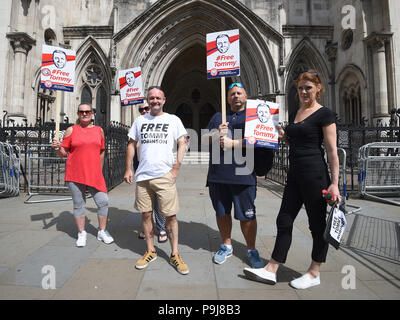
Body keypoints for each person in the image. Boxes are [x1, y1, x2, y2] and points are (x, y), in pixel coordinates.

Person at [243, 70, 341, 289]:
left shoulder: (325, 114)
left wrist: (334, 183)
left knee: (317, 226)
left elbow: (332, 151)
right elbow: (296, 143)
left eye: (308, 87)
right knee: (284, 220)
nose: (304, 92)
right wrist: (283, 136)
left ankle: (314, 272)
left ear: (318, 88)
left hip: (315, 174)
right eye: (300, 88)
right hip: (295, 174)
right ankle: (272, 268)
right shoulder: (299, 111)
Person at [124, 86, 189, 275]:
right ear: (148, 99)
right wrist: (129, 168)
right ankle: (150, 250)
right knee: (146, 215)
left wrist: (176, 167)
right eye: (151, 98)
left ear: (164, 100)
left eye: (158, 98)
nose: (154, 101)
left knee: (171, 216)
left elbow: (182, 142)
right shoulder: (139, 120)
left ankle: (175, 253)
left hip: (164, 175)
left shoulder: (173, 120)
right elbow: (131, 144)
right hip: (143, 176)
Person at [204, 82, 264, 269]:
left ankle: (251, 250)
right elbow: (204, 140)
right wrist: (216, 133)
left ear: (246, 96)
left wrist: (233, 143)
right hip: (218, 174)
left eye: (239, 93)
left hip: (244, 174)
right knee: (222, 213)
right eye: (232, 94)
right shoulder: (217, 116)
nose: (236, 96)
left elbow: (261, 140)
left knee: (247, 216)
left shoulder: (254, 116)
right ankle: (226, 245)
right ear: (227, 98)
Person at [51, 103, 114, 247]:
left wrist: (100, 169)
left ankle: (102, 231)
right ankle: (81, 233)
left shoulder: (99, 130)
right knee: (79, 204)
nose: (84, 114)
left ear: (92, 113)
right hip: (75, 173)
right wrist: (57, 147)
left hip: (94, 173)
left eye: (87, 111)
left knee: (103, 201)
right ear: (78, 113)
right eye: (81, 112)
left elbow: (102, 151)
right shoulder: (71, 130)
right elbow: (63, 154)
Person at [134, 102, 168, 244]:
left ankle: (161, 228)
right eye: (141, 109)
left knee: (159, 203)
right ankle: (147, 227)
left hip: (159, 170)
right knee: (145, 205)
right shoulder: (137, 124)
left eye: (146, 108)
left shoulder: (162, 122)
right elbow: (131, 145)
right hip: (142, 170)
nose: (143, 111)